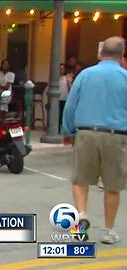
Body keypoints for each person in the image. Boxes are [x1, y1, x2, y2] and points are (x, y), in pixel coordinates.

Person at [62, 36, 127, 245]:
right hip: (116, 135)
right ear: (122, 55)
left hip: (86, 132)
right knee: (112, 186)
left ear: (101, 53)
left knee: (80, 180)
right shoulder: (125, 77)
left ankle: (81, 218)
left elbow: (71, 104)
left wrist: (68, 129)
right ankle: (108, 230)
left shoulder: (85, 75)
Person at [58, 63, 72, 132]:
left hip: (64, 98)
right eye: (60, 68)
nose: (61, 70)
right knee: (57, 115)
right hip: (57, 99)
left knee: (63, 115)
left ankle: (63, 129)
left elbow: (70, 87)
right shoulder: (55, 78)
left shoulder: (66, 77)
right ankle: (57, 129)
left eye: (62, 68)